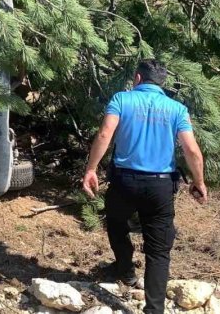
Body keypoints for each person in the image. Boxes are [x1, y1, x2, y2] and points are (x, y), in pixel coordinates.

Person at [82, 59, 207, 314]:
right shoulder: (177, 109)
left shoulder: (121, 99)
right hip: (160, 187)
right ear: (162, 83)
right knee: (159, 250)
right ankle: (154, 310)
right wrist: (199, 182)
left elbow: (105, 134)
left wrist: (91, 169)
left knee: (116, 223)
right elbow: (192, 150)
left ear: (137, 78)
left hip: (124, 182)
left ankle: (126, 271)